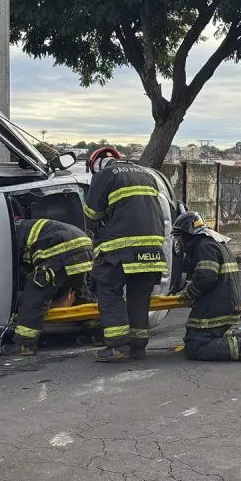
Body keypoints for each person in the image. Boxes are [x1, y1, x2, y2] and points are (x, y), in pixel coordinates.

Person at [82, 147, 166, 362]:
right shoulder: (147, 174)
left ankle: (117, 347)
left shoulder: (105, 175)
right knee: (139, 297)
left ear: (97, 163)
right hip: (153, 249)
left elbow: (91, 213)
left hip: (119, 247)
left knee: (109, 292)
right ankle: (138, 347)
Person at [172, 211, 241, 364]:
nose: (181, 242)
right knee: (193, 336)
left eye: (181, 236)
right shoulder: (212, 242)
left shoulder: (203, 246)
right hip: (224, 303)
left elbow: (206, 277)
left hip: (218, 306)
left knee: (195, 346)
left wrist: (189, 294)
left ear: (189, 234)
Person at [3, 218, 95, 356]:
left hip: (60, 245)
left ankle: (24, 344)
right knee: (79, 290)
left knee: (35, 292)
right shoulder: (25, 226)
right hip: (84, 243)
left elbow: (17, 266)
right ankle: (97, 332)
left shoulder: (8, 233)